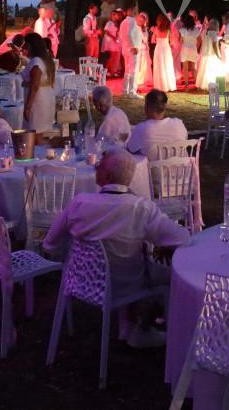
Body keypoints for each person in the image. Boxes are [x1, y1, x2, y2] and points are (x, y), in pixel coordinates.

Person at [42, 148, 189, 347]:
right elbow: (183, 238)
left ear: (108, 176)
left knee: (127, 259)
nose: (95, 167)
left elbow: (49, 243)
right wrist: (163, 245)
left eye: (99, 166)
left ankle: (127, 326)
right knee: (175, 277)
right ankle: (143, 329)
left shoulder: (79, 203)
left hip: (80, 281)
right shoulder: (141, 208)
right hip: (125, 283)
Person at [126, 90, 188, 160]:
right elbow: (185, 139)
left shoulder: (142, 129)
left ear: (146, 108)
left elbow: (130, 149)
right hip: (183, 170)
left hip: (152, 170)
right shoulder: (179, 124)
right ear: (164, 107)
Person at [22, 32, 57, 135]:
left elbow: (34, 85)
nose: (24, 48)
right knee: (42, 132)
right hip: (46, 97)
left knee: (36, 133)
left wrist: (28, 107)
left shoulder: (36, 61)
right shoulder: (45, 60)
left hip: (38, 101)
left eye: (26, 45)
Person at [151, 15, 177, 93]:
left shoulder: (156, 29)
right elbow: (172, 41)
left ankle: (160, 86)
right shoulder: (168, 30)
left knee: (159, 67)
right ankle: (169, 85)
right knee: (167, 66)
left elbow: (153, 41)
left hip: (158, 49)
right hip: (166, 49)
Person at [119, 9, 142, 97]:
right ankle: (132, 91)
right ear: (132, 13)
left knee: (127, 70)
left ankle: (125, 91)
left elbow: (121, 36)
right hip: (132, 49)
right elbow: (129, 34)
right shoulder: (132, 21)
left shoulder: (123, 22)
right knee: (134, 70)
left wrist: (125, 46)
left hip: (125, 49)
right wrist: (133, 46)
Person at [177, 13, 200, 89]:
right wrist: (196, 46)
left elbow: (180, 41)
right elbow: (199, 40)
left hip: (185, 49)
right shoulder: (196, 30)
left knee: (185, 67)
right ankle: (196, 84)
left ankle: (186, 85)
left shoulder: (182, 30)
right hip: (193, 48)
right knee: (193, 67)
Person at [102, 10, 124, 77]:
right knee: (111, 57)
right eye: (116, 15)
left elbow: (116, 32)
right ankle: (106, 71)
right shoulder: (109, 23)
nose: (118, 16)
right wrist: (113, 37)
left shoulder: (116, 23)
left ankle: (113, 71)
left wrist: (116, 36)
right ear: (113, 15)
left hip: (114, 41)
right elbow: (106, 31)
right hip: (110, 41)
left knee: (115, 57)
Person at [135, 12, 151, 93]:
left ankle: (142, 80)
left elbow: (146, 38)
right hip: (140, 48)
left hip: (145, 49)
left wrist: (146, 45)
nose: (142, 22)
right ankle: (138, 81)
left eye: (143, 20)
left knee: (145, 66)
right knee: (140, 65)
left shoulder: (145, 29)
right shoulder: (137, 28)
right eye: (141, 20)